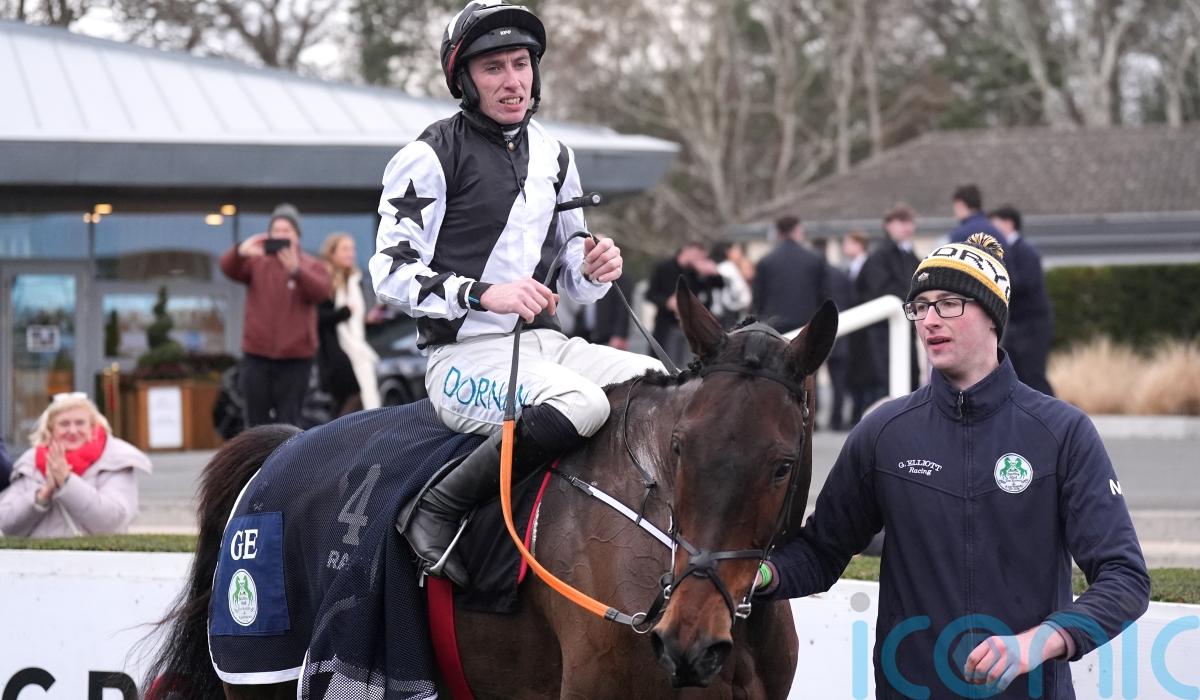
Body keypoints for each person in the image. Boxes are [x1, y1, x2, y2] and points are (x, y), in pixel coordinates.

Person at [758, 234, 1150, 698]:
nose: (929, 320)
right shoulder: (883, 432)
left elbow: (1125, 578)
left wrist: (1041, 641)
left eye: (948, 303)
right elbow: (821, 552)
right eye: (920, 306)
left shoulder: (1062, 432)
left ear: (992, 316)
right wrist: (758, 575)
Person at [369, 0, 663, 588]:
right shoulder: (428, 156)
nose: (512, 81)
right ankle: (436, 506)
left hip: (546, 347)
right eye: (493, 68)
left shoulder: (556, 155)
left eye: (521, 64)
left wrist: (596, 265)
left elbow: (574, 276)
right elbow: (389, 271)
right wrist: (483, 294)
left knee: (659, 382)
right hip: (461, 358)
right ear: (464, 81)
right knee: (584, 404)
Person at [220, 204, 330, 428]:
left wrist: (296, 270)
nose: (281, 235)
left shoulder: (312, 265)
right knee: (255, 422)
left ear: (297, 235)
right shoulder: (257, 263)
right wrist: (240, 251)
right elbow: (227, 268)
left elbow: (321, 292)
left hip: (296, 358)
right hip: (257, 355)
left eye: (286, 230)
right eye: (276, 230)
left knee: (289, 422)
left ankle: (287, 454)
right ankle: (257, 454)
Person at [0, 393, 152, 537]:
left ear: (93, 427)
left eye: (80, 423)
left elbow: (113, 522)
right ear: (50, 430)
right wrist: (42, 495)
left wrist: (67, 482)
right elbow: (5, 523)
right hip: (39, 556)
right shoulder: (31, 462)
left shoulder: (115, 460)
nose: (72, 431)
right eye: (64, 424)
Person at [990, 205, 1056, 396]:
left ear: (1009, 223)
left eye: (995, 225)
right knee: (1015, 374)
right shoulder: (1010, 251)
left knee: (1033, 375)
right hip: (1017, 324)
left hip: (1032, 325)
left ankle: (1050, 412)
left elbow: (1028, 283)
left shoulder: (1025, 251)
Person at [857, 204, 921, 394]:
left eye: (909, 222)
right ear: (888, 225)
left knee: (911, 381)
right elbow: (880, 290)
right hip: (882, 334)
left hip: (907, 328)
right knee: (889, 384)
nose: (907, 227)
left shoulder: (911, 256)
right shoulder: (879, 257)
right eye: (901, 221)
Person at [319, 233, 382, 414]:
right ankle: (337, 432)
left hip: (354, 349)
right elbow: (318, 317)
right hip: (334, 353)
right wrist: (344, 312)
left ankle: (339, 431)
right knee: (353, 395)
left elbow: (353, 323)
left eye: (352, 249)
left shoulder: (354, 281)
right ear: (332, 253)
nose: (351, 254)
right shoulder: (325, 280)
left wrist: (367, 320)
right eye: (345, 249)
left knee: (352, 398)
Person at [645, 242, 723, 366]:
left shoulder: (696, 272)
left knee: (688, 364)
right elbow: (650, 294)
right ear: (687, 250)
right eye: (698, 256)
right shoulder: (664, 267)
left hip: (692, 327)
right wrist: (667, 302)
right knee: (666, 363)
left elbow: (719, 285)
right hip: (668, 324)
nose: (700, 260)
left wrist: (713, 272)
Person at [752, 215, 828, 334]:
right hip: (806, 323)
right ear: (797, 230)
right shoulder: (814, 259)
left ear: (778, 233)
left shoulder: (766, 261)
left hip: (774, 325)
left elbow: (758, 297)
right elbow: (823, 294)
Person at [841, 230, 877, 426]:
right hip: (856, 333)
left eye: (847, 243)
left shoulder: (868, 266)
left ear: (859, 244)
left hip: (866, 333)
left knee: (865, 374)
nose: (844, 247)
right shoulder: (850, 268)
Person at [707, 241, 753, 328]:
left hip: (735, 313)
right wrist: (740, 303)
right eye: (736, 249)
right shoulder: (726, 269)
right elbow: (728, 295)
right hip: (729, 315)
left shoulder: (731, 267)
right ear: (728, 252)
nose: (740, 252)